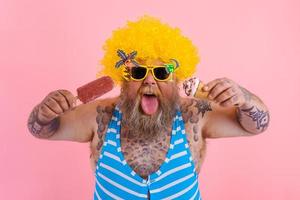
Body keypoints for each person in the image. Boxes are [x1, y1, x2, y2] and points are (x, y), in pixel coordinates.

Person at [27, 16, 270, 200]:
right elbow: (43, 129)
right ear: (123, 79)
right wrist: (44, 112)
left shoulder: (195, 116)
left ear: (176, 79)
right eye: (138, 71)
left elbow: (254, 126)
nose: (149, 81)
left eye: (162, 72)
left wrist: (245, 99)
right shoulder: (99, 116)